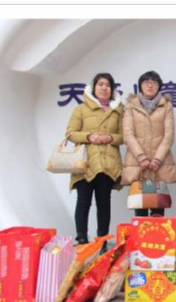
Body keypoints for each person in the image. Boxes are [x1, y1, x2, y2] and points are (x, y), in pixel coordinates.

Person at [66, 73, 124, 251]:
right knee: (83, 202)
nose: (104, 88)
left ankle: (102, 240)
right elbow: (70, 133)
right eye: (100, 84)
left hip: (108, 163)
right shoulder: (81, 109)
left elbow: (123, 136)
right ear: (94, 87)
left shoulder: (119, 110)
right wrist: (89, 136)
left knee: (104, 203)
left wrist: (109, 137)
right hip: (86, 162)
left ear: (112, 89)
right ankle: (82, 239)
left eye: (107, 85)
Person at [121, 71, 176, 217]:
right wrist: (141, 156)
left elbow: (169, 135)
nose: (150, 84)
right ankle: (141, 240)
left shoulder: (166, 106)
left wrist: (157, 159)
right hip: (137, 162)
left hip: (159, 163)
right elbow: (128, 134)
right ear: (140, 85)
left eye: (154, 82)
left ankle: (157, 239)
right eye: (146, 81)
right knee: (139, 206)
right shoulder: (130, 106)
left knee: (158, 206)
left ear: (159, 86)